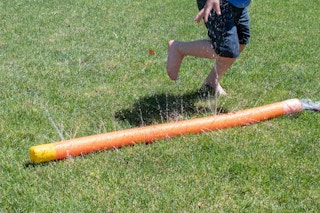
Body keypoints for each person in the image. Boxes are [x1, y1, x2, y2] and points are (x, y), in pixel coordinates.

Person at [166, 0, 251, 96]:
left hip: (238, 4)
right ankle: (179, 48)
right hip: (218, 3)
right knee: (226, 49)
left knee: (241, 41)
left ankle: (212, 81)